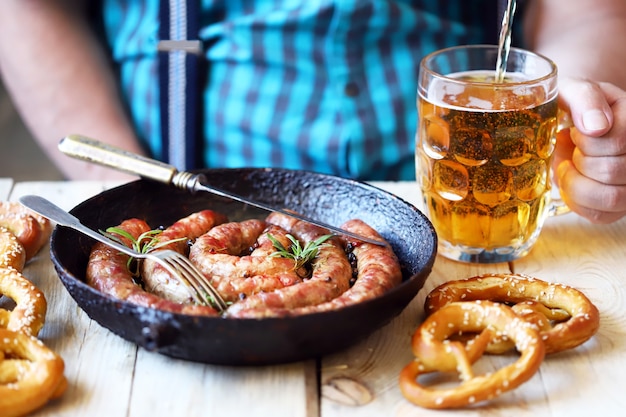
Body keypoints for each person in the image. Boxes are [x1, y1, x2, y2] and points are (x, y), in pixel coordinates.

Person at [0, 0, 625, 224]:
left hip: (463, 208)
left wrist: (581, 109)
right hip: (171, 193)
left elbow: (585, 12)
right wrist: (117, 193)